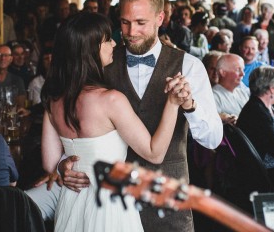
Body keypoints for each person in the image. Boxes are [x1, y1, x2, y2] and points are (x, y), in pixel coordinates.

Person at [48, 0, 222, 232]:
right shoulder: (101, 62)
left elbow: (213, 140)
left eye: (141, 23)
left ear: (160, 18)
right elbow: (75, 121)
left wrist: (189, 105)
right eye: (125, 22)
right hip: (109, 209)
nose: (131, 32)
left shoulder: (189, 66)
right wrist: (64, 163)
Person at [41, 12, 186, 232]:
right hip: (109, 204)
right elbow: (154, 153)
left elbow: (50, 162)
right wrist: (173, 104)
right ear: (90, 50)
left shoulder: (53, 101)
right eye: (107, 39)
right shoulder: (110, 100)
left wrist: (63, 168)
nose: (114, 43)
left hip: (72, 202)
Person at [212, 54, 249, 124]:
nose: (243, 74)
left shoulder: (243, 92)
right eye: (238, 69)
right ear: (223, 72)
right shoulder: (214, 96)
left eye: (243, 69)